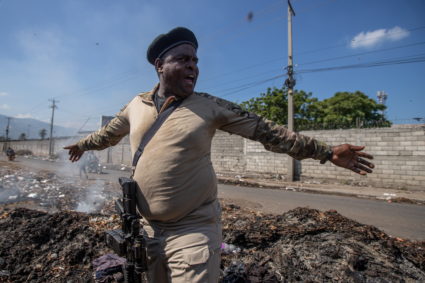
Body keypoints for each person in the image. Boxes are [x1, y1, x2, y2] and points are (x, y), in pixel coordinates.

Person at [65, 27, 374, 282]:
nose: (193, 67)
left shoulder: (210, 106)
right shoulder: (136, 105)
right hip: (147, 230)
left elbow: (269, 131)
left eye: (196, 61)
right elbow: (108, 134)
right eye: (183, 59)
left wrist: (326, 151)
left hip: (193, 228)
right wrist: (82, 145)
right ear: (160, 65)